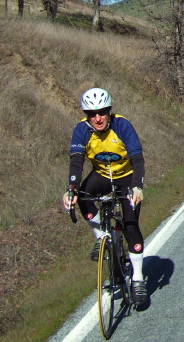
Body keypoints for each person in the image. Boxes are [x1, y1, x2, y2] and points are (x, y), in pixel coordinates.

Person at [63, 88, 148, 306]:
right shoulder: (82, 130)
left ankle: (138, 278)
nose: (98, 118)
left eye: (102, 112)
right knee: (82, 195)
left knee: (130, 225)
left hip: (126, 176)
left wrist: (137, 186)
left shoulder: (122, 126)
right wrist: (71, 188)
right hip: (102, 174)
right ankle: (102, 236)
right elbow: (76, 162)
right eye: (92, 114)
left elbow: (137, 159)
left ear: (109, 111)